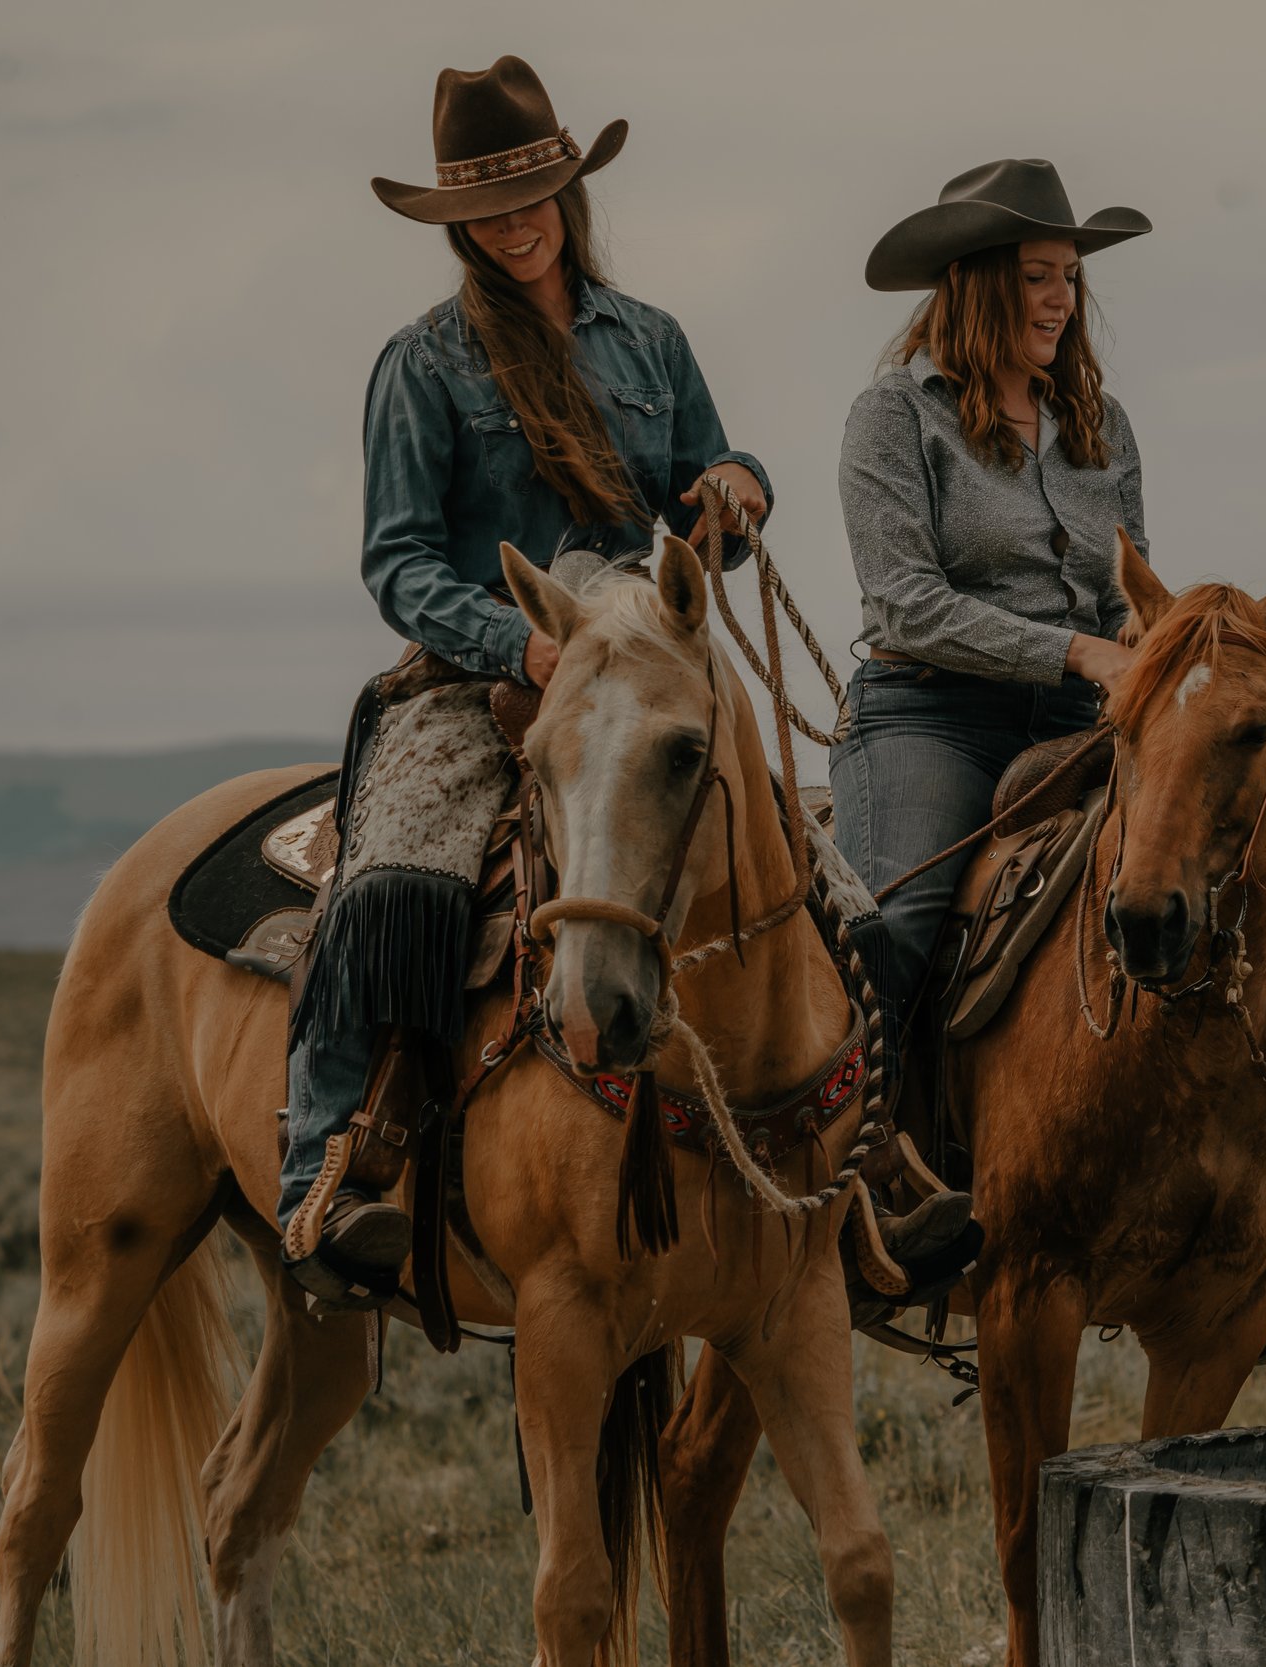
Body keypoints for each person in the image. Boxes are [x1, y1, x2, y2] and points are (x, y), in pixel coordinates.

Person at [278, 56, 772, 1302]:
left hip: (647, 666)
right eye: (485, 213)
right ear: (456, 226)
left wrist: (739, 484)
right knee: (391, 875)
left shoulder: (651, 340)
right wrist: (522, 646)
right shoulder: (424, 362)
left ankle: (849, 1155)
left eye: (533, 196)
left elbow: (710, 469)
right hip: (481, 673)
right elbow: (395, 559)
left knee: (801, 861)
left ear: (569, 188)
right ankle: (324, 1174)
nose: (514, 225)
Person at [831, 159, 1152, 1023]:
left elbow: (1130, 590)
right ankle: (859, 1147)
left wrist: (1142, 639)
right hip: (933, 717)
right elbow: (906, 602)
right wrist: (1078, 651)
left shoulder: (1102, 423)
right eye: (1036, 277)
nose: (1062, 300)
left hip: (1080, 721)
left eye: (1071, 277)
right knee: (893, 928)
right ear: (974, 286)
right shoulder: (894, 415)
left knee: (1230, 889)